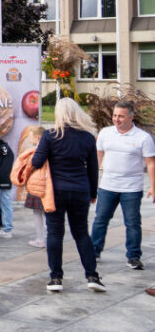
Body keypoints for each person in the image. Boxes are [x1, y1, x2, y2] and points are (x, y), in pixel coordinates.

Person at [31, 97, 104, 294]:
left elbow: (37, 162)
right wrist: (93, 193)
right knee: (81, 233)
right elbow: (93, 169)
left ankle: (56, 277)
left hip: (56, 192)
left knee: (55, 233)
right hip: (80, 189)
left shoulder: (51, 135)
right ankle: (92, 276)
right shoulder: (88, 138)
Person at [91, 100, 155, 270]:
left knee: (132, 223)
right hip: (107, 186)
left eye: (121, 116)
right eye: (114, 115)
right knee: (100, 220)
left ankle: (133, 257)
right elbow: (97, 159)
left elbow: (150, 163)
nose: (116, 119)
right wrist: (91, 182)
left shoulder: (143, 137)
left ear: (131, 117)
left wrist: (153, 186)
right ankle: (94, 252)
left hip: (131, 188)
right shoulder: (105, 133)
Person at [20, 126, 47, 248]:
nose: (30, 140)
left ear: (37, 137)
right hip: (48, 185)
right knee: (49, 213)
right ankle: (47, 237)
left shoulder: (34, 151)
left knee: (37, 213)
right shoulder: (52, 150)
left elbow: (31, 166)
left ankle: (40, 238)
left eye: (31, 137)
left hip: (36, 185)